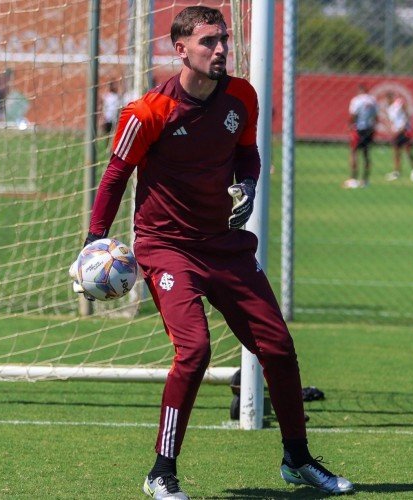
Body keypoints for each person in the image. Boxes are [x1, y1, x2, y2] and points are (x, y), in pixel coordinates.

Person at [69, 6, 353, 499]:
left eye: (223, 40)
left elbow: (248, 152)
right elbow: (115, 177)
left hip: (225, 247)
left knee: (279, 350)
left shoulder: (241, 96)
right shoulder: (148, 112)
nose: (221, 49)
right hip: (167, 248)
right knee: (195, 350)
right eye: (208, 42)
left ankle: (297, 459)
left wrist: (247, 182)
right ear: (180, 49)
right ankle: (161, 471)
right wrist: (95, 239)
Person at [345, 84, 378, 189]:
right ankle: (365, 180)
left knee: (354, 152)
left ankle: (353, 179)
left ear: (359, 90)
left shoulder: (356, 100)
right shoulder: (373, 100)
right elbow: (376, 117)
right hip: (368, 129)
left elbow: (353, 115)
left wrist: (350, 126)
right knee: (366, 154)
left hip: (358, 129)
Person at [384, 91, 413, 182]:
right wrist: (392, 130)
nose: (387, 100)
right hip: (396, 132)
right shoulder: (389, 109)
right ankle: (397, 171)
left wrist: (405, 125)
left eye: (388, 98)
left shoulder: (398, 103)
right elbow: (392, 121)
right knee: (396, 152)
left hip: (404, 130)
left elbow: (407, 114)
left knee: (408, 150)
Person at [101, 81, 122, 149]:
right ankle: (107, 147)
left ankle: (113, 147)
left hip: (115, 119)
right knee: (108, 135)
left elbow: (119, 108)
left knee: (114, 135)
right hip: (108, 118)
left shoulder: (117, 97)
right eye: (113, 85)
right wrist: (103, 117)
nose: (115, 87)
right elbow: (103, 107)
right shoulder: (107, 96)